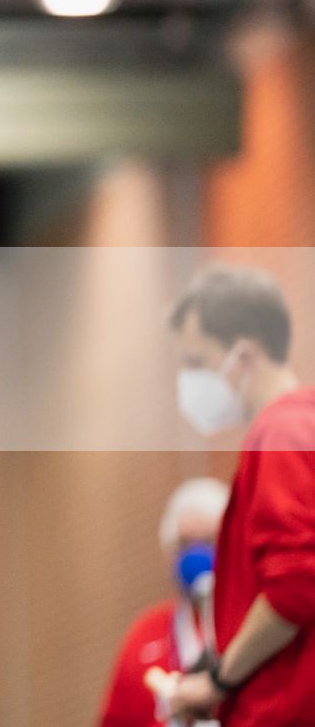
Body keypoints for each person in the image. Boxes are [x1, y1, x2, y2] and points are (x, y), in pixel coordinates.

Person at [164, 265, 315, 723]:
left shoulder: (280, 433)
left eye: (197, 362)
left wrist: (219, 679)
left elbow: (295, 586)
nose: (187, 380)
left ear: (244, 356)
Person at [96, 477, 228, 727]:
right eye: (185, 544)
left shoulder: (254, 626)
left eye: (209, 542)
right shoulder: (143, 636)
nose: (196, 555)